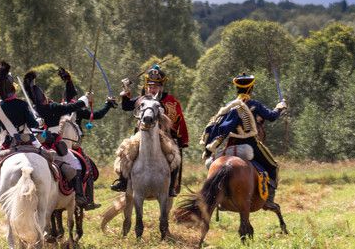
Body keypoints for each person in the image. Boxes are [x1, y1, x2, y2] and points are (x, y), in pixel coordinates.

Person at [26, 67, 117, 210]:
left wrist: (68, 81)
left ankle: (87, 198)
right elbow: (73, 104)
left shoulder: (36, 108)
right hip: (58, 145)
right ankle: (81, 196)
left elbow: (91, 112)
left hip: (42, 144)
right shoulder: (57, 107)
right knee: (81, 165)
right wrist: (85, 100)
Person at [202, 73, 287, 212]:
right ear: (250, 88)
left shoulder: (229, 106)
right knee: (273, 166)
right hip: (250, 144)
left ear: (237, 88)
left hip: (231, 144)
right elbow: (271, 116)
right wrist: (280, 107)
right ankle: (269, 200)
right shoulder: (254, 105)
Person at [112, 64, 188, 195]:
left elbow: (179, 121)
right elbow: (126, 106)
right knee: (125, 153)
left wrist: (181, 140)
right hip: (141, 136)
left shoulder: (171, 102)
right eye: (150, 86)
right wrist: (125, 91)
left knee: (174, 156)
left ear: (161, 87)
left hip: (163, 136)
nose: (152, 89)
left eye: (156, 86)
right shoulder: (142, 99)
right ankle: (123, 182)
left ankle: (170, 187)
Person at [0, 61, 42, 166]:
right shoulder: (22, 104)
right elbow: (32, 124)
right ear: (13, 88)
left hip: (8, 142)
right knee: (47, 156)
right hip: (27, 140)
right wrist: (38, 122)